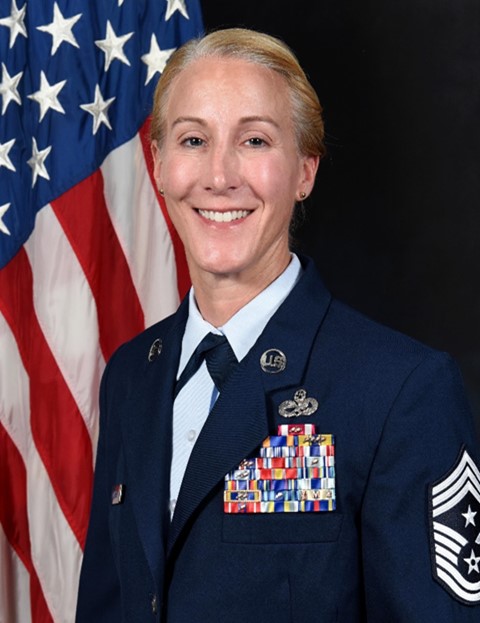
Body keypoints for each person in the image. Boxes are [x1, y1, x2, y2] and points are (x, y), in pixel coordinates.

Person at [76, 28, 480, 622]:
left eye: (255, 140)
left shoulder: (401, 391)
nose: (219, 176)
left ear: (304, 171)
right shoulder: (132, 374)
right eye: (193, 139)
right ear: (158, 164)